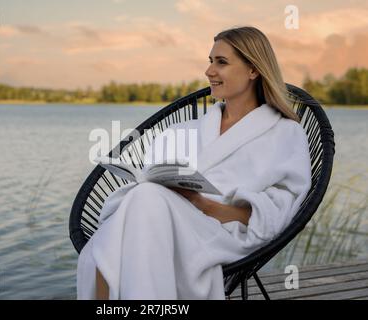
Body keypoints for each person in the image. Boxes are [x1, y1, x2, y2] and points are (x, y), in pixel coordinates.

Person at [76, 26, 312, 300]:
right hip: (163, 220)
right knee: (142, 199)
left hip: (224, 231)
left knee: (130, 218)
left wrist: (202, 204)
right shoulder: (185, 130)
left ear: (253, 70)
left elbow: (277, 213)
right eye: (210, 61)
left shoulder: (284, 133)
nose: (209, 71)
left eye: (221, 62)